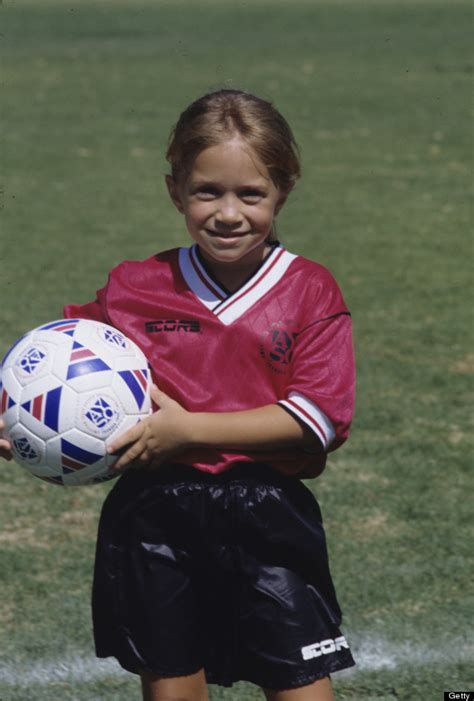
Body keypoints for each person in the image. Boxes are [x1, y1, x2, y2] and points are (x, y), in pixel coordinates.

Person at [0, 89, 356, 700]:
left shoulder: (310, 291)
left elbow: (318, 420)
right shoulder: (135, 287)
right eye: (206, 192)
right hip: (153, 517)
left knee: (300, 685)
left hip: (269, 515)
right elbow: (53, 363)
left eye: (251, 194)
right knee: (172, 687)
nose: (228, 213)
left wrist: (189, 430)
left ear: (284, 191)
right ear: (175, 191)